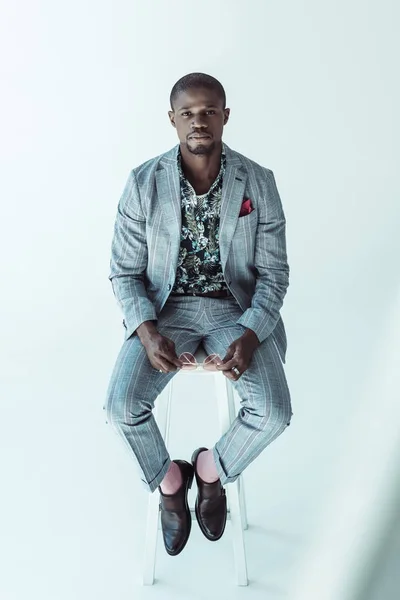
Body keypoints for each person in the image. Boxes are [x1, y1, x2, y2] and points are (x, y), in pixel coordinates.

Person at [105, 72, 293, 557]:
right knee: (121, 407)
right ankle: (171, 481)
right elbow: (124, 273)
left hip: (237, 309)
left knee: (272, 412)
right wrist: (146, 333)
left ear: (225, 116)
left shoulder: (259, 182)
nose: (199, 121)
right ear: (172, 120)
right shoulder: (142, 183)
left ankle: (210, 470)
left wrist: (251, 334)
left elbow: (274, 275)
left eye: (209, 110)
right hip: (165, 311)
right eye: (187, 113)